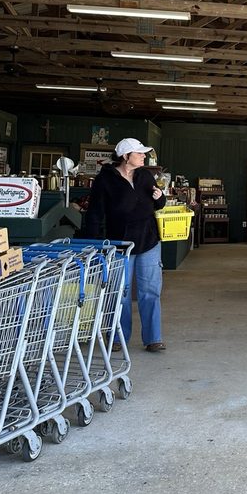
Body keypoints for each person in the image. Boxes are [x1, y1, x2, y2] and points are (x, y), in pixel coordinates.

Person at [85, 138, 168, 352]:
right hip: (118, 244)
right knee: (119, 292)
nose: (143, 156)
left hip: (148, 240)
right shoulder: (105, 180)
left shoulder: (145, 175)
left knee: (150, 291)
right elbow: (95, 213)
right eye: (139, 153)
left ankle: (153, 338)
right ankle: (116, 338)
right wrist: (94, 243)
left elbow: (157, 203)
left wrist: (161, 199)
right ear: (125, 156)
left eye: (143, 153)